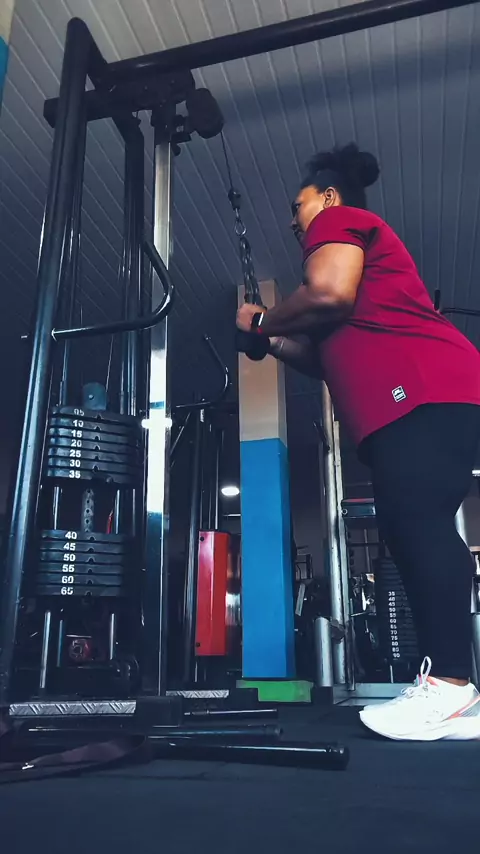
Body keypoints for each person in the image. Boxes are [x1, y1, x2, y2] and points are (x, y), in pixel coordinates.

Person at [236, 142, 480, 742]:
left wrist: (263, 319)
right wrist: (270, 341)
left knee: (417, 523)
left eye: (297, 206)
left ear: (326, 197)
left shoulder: (341, 221)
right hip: (419, 399)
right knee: (410, 527)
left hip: (425, 390)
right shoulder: (344, 273)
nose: (293, 221)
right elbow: (325, 359)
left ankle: (450, 687)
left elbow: (328, 294)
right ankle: (455, 696)